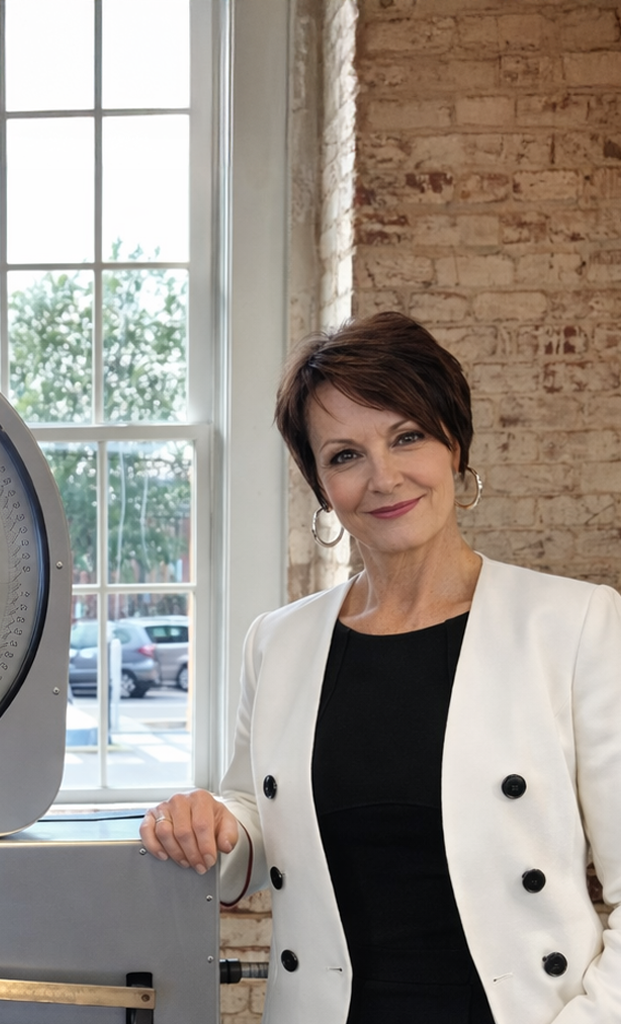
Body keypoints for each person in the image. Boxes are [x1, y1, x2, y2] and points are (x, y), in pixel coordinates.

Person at [140, 312, 621, 1023]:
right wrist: (211, 825)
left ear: (454, 444)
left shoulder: (575, 625)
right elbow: (257, 816)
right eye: (345, 455)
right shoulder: (278, 642)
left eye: (407, 436)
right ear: (320, 485)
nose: (384, 477)